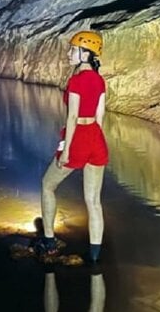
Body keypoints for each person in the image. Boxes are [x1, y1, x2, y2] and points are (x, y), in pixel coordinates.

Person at [35, 30, 108, 263]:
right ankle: (95, 257)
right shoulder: (99, 80)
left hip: (78, 139)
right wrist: (94, 140)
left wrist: (66, 150)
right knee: (94, 201)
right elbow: (100, 116)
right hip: (96, 138)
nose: (68, 53)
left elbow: (72, 116)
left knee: (47, 185)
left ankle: (49, 243)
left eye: (73, 50)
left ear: (85, 54)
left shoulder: (76, 81)